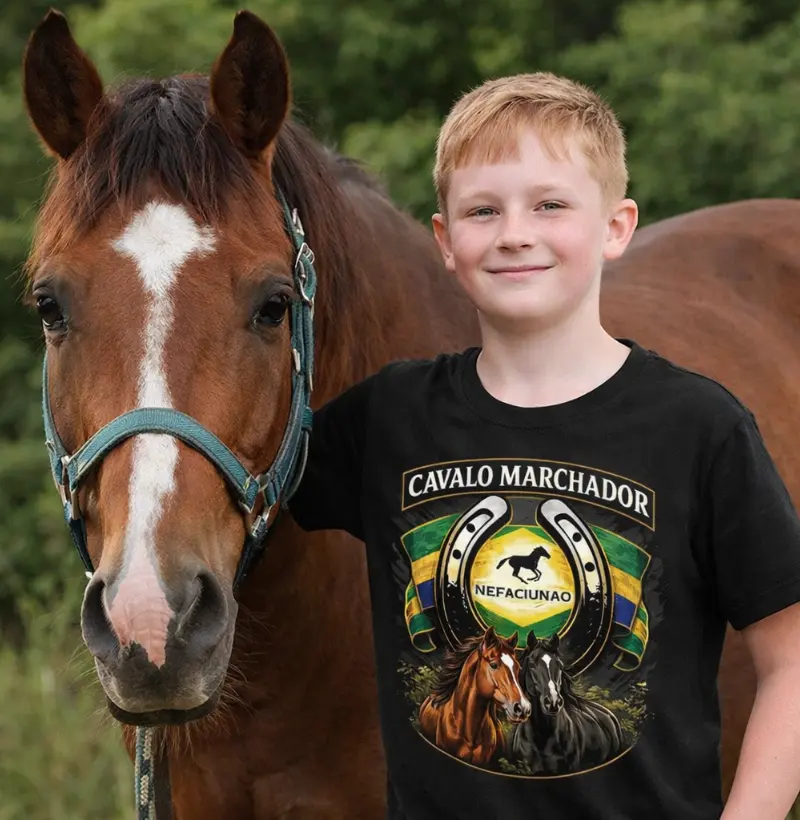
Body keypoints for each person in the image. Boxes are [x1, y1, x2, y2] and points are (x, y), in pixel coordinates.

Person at [288, 72, 800, 819]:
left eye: (550, 205)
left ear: (617, 227)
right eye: (483, 210)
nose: (515, 233)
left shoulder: (699, 427)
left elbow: (791, 658)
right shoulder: (387, 419)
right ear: (446, 241)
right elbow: (234, 485)